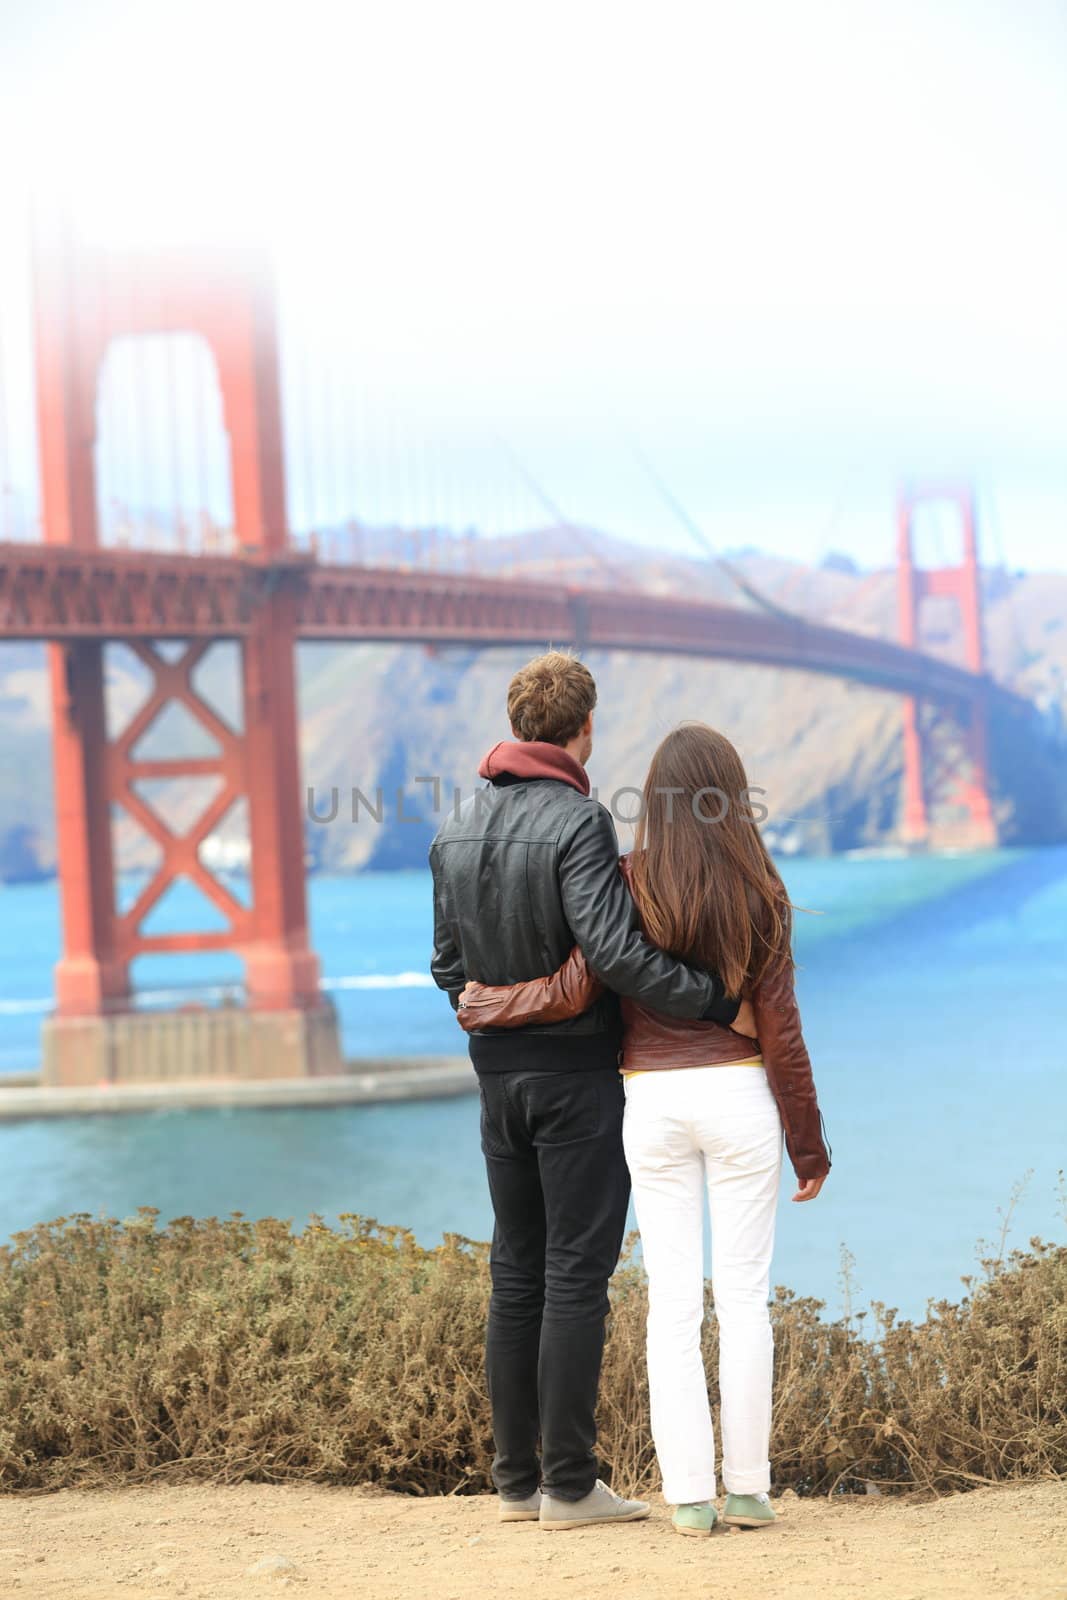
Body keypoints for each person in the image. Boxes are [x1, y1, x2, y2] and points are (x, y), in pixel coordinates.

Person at [457, 721, 831, 1539]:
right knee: (741, 1302)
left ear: (654, 801)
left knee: (669, 1305)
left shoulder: (627, 881)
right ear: (732, 797)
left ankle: (688, 1500)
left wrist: (489, 1003)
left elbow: (591, 979)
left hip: (650, 1105)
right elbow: (784, 1032)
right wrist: (808, 1144)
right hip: (738, 1102)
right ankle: (748, 1492)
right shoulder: (760, 888)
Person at [429, 654, 751, 1531]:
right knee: (576, 1274)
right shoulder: (577, 822)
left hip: (495, 1084)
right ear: (584, 730)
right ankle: (569, 1486)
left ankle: (513, 1484)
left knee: (513, 1270)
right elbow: (612, 955)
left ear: (513, 721)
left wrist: (500, 1013)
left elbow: (446, 969)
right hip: (575, 1078)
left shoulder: (452, 826)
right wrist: (713, 1001)